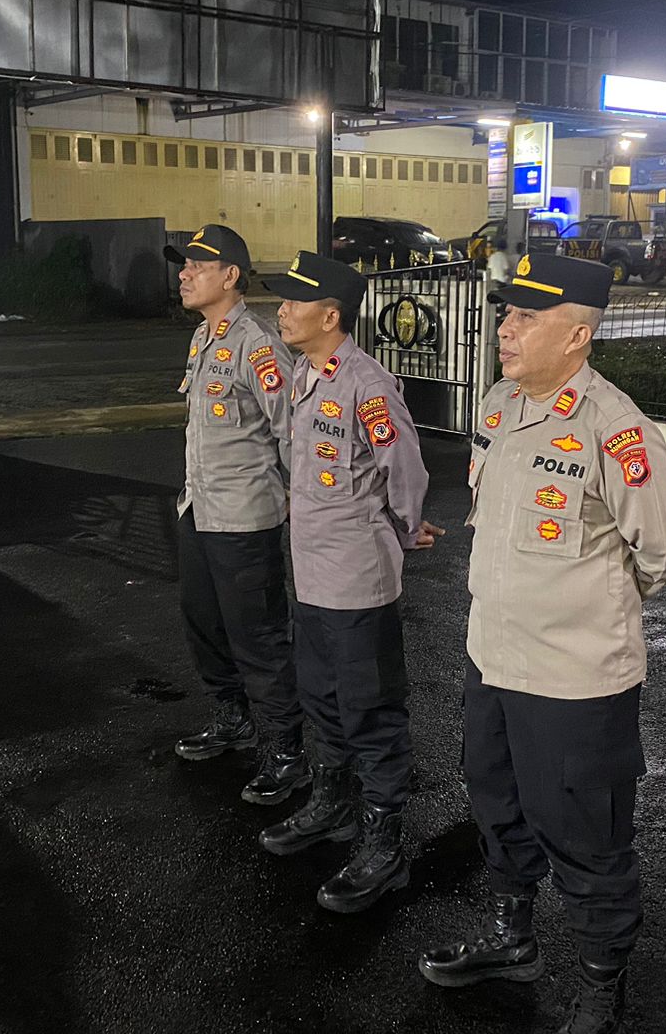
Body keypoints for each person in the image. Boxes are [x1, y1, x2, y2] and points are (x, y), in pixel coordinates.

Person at [417, 253, 666, 1034]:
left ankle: (602, 984)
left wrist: (589, 608)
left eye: (526, 317)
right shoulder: (500, 404)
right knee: (497, 805)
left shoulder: (615, 429)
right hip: (493, 658)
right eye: (507, 313)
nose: (506, 328)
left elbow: (663, 552)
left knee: (586, 837)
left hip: (576, 679)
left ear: (577, 336)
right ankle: (513, 940)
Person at [258, 250, 442, 913]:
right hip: (310, 573)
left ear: (330, 315)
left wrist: (405, 528)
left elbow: (405, 470)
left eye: (293, 301)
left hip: (357, 579)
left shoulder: (367, 383)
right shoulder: (306, 374)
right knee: (321, 695)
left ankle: (384, 842)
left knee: (371, 708)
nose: (282, 310)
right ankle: (333, 805)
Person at [164, 224, 309, 808]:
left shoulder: (258, 344)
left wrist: (299, 503)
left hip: (245, 519)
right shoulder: (204, 337)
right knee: (204, 623)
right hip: (200, 507)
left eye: (197, 266)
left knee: (260, 638)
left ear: (230, 276)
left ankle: (286, 752)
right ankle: (232, 719)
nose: (184, 274)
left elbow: (293, 431)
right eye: (184, 265)